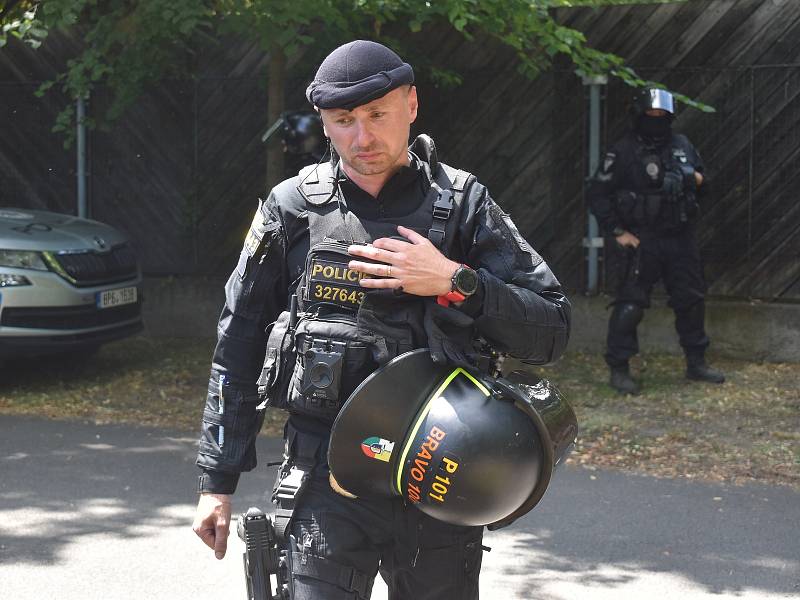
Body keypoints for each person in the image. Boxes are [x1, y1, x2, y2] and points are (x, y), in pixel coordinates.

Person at [191, 39, 571, 599]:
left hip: (443, 476)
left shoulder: (463, 205)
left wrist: (454, 282)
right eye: (343, 120)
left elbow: (553, 329)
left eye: (377, 115)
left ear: (411, 106)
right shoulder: (291, 209)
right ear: (323, 122)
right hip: (324, 483)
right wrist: (216, 482)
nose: (362, 137)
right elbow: (239, 340)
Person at [588, 88, 725, 395]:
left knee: (691, 300)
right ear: (638, 115)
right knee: (631, 304)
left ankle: (696, 362)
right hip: (642, 240)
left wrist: (690, 177)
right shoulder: (622, 151)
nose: (656, 121)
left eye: (662, 116)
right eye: (650, 116)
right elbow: (597, 194)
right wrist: (617, 232)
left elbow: (705, 183)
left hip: (681, 238)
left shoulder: (683, 145)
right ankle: (619, 367)